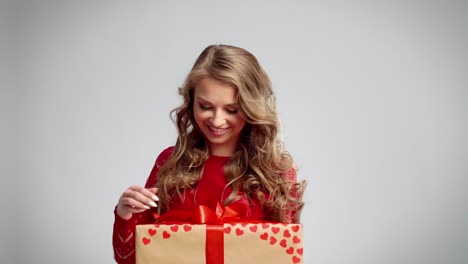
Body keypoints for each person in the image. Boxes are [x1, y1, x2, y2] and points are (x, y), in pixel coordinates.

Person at [112, 44, 306, 264]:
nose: (216, 120)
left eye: (232, 110)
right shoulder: (169, 162)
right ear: (191, 101)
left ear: (253, 107)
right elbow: (129, 257)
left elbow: (285, 257)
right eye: (205, 106)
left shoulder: (275, 171)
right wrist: (125, 213)